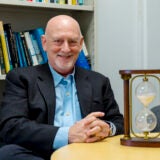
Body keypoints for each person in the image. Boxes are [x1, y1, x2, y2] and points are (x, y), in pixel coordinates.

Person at [0, 15, 124, 160]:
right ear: (44, 43)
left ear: (81, 43)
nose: (66, 49)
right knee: (8, 154)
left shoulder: (99, 81)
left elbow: (118, 122)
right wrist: (68, 134)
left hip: (88, 154)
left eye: (72, 42)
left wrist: (107, 128)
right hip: (41, 154)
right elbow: (11, 127)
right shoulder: (21, 78)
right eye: (58, 41)